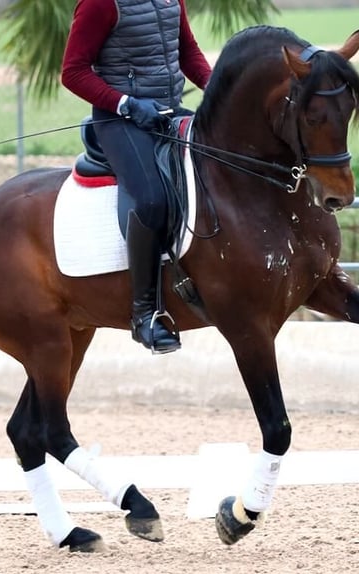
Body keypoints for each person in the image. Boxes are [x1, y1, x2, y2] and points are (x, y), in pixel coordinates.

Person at [61, 0, 212, 354]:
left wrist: (219, 88)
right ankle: (145, 314)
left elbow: (187, 52)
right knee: (151, 199)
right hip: (120, 120)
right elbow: (73, 72)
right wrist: (125, 104)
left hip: (168, 111)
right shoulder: (100, 4)